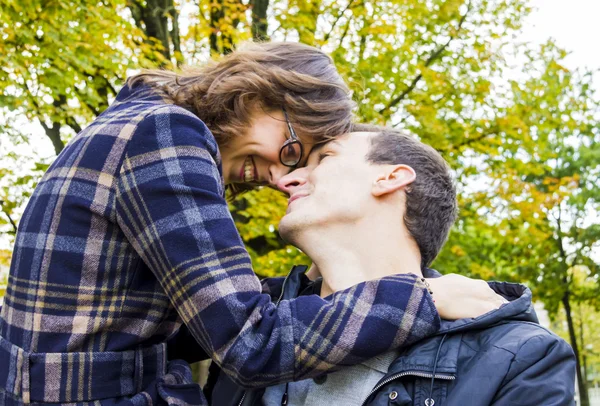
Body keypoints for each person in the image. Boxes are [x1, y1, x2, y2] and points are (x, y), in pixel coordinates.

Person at [0, 43, 503, 406]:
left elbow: (152, 325)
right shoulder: (167, 133)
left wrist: (303, 294)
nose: (284, 178)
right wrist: (423, 299)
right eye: (292, 151)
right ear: (262, 91)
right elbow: (250, 345)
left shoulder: (133, 126)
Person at [209, 127, 576, 405]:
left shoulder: (521, 358)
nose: (286, 180)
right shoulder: (245, 332)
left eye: (325, 159)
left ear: (390, 178)